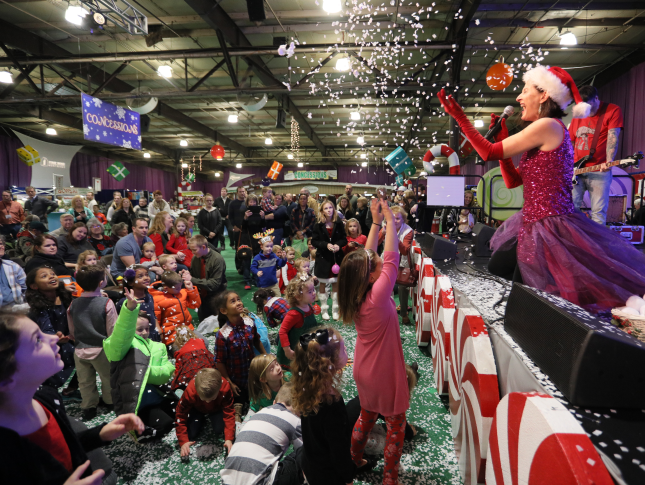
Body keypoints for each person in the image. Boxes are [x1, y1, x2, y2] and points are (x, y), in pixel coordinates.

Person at [439, 65, 645, 311]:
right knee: (505, 271)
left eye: (524, 90)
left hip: (549, 223)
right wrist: (501, 142)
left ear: (544, 95)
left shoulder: (548, 125)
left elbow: (487, 152)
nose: (518, 98)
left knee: (540, 293)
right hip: (534, 220)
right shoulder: (547, 129)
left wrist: (461, 117)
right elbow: (513, 181)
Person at [0, 311, 145, 485]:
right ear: (6, 377)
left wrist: (100, 435)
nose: (53, 337)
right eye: (37, 340)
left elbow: (66, 446)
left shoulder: (48, 399)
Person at [338, 199, 408, 485]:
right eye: (373, 261)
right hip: (385, 374)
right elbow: (390, 257)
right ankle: (389, 479)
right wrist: (392, 221)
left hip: (365, 371)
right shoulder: (378, 296)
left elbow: (371, 257)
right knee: (396, 427)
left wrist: (376, 222)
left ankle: (354, 459)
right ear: (370, 276)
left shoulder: (358, 295)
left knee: (366, 418)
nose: (375, 255)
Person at [103, 289, 177, 439]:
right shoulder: (122, 348)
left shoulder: (158, 346)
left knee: (180, 413)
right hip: (136, 405)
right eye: (139, 329)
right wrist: (129, 310)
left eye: (147, 329)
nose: (144, 332)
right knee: (165, 425)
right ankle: (139, 429)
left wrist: (139, 371)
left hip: (158, 397)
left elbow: (167, 371)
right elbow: (122, 335)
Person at [291, 327, 355, 485]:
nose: (346, 350)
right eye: (343, 349)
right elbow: (338, 449)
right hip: (329, 475)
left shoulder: (307, 389)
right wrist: (348, 477)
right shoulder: (331, 404)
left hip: (312, 464)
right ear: (329, 362)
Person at [221, 382, 303, 485]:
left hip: (227, 481)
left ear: (274, 402)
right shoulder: (295, 420)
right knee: (302, 453)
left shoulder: (259, 413)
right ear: (300, 409)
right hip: (259, 483)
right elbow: (306, 452)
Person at [569, 85, 624, 225]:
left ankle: (596, 246)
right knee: (570, 210)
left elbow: (613, 137)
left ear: (597, 99)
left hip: (599, 170)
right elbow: (570, 142)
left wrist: (609, 161)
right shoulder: (578, 115)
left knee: (598, 213)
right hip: (576, 171)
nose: (586, 110)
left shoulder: (612, 110)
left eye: (589, 105)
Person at [67, 264, 116, 420]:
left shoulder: (73, 303)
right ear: (101, 282)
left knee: (85, 381)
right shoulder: (106, 303)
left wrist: (76, 338)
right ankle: (110, 402)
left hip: (80, 348)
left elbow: (72, 328)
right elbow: (112, 330)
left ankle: (89, 407)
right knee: (108, 378)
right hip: (101, 349)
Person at [213, 290, 268, 421]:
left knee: (258, 399)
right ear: (224, 311)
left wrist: (266, 357)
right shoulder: (222, 334)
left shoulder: (249, 322)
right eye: (233, 301)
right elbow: (219, 361)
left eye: (238, 299)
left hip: (252, 374)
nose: (239, 302)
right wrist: (229, 382)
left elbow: (256, 340)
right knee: (239, 403)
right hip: (237, 378)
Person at [25, 266, 76, 390]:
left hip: (70, 338)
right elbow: (46, 329)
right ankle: (59, 389)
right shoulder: (37, 307)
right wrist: (56, 336)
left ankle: (74, 387)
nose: (51, 276)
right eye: (44, 276)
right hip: (48, 343)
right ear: (34, 286)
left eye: (52, 274)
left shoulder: (65, 296)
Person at [175, 368, 235, 458]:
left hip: (216, 409)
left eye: (211, 399)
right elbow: (180, 414)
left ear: (219, 390)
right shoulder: (190, 392)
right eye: (204, 399)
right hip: (197, 409)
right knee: (191, 434)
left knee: (219, 429)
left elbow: (229, 412)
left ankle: (206, 417)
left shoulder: (225, 388)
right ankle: (201, 420)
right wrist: (183, 441)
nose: (207, 402)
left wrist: (229, 439)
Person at [311, 200, 347, 321]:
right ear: (322, 211)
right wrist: (325, 244)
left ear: (334, 209)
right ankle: (324, 310)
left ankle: (335, 310)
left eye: (330, 208)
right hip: (323, 259)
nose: (328, 210)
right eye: (326, 208)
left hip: (336, 258)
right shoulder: (318, 225)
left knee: (335, 283)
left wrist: (338, 245)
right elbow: (314, 242)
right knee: (323, 283)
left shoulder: (339, 223)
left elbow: (344, 239)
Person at [378, 205, 414, 325]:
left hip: (402, 263)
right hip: (387, 261)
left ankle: (404, 313)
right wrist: (382, 233)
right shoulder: (385, 227)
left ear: (403, 219)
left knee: (403, 288)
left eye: (398, 219)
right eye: (392, 219)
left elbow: (405, 251)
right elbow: (376, 243)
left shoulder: (408, 231)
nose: (394, 221)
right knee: (386, 287)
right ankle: (387, 312)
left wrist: (395, 238)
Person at [277, 273, 318, 368]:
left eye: (313, 290)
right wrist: (287, 349)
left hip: (306, 345)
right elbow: (282, 331)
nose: (314, 293)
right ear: (298, 297)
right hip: (294, 349)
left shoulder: (308, 306)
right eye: (309, 291)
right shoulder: (294, 314)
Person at [152, 270, 201, 347]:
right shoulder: (157, 300)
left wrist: (191, 289)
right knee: (183, 350)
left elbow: (195, 305)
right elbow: (156, 320)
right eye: (177, 288)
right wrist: (160, 336)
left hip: (188, 328)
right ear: (166, 288)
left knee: (204, 343)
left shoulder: (182, 292)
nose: (180, 290)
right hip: (171, 333)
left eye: (180, 287)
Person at [116, 265, 160, 342]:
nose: (146, 278)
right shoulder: (124, 302)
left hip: (153, 334)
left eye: (146, 275)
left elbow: (153, 314)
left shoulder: (149, 297)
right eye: (140, 276)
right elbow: (120, 322)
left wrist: (158, 328)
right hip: (137, 338)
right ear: (130, 283)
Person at [188, 234, 227, 321]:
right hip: (202, 297)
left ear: (203, 247)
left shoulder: (217, 259)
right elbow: (193, 275)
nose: (192, 252)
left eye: (194, 250)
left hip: (216, 296)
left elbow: (214, 284)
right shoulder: (195, 258)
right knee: (203, 323)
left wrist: (191, 279)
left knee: (218, 324)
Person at [170, 326, 215, 391]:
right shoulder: (201, 340)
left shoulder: (180, 352)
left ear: (178, 341)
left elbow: (178, 370)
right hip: (209, 369)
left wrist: (174, 375)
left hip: (191, 376)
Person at [229, 186, 247, 273]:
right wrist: (234, 226)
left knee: (247, 249)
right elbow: (230, 217)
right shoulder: (232, 203)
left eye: (243, 191)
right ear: (237, 193)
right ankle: (239, 267)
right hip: (237, 230)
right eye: (240, 191)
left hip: (247, 230)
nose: (242, 193)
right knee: (238, 249)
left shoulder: (248, 202)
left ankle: (246, 267)